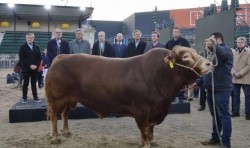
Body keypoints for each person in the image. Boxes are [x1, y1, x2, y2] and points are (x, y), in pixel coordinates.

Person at [201, 32, 233, 148]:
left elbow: (223, 54)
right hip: (210, 88)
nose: (208, 43)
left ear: (217, 39)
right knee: (215, 115)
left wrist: (213, 45)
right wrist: (199, 82)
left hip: (221, 89)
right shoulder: (210, 53)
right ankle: (215, 138)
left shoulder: (226, 50)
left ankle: (226, 142)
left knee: (224, 115)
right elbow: (207, 69)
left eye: (211, 40)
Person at [165, 27, 191, 103]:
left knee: (180, 81)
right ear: (172, 33)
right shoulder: (169, 42)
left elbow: (188, 52)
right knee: (171, 81)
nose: (176, 33)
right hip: (171, 65)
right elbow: (166, 53)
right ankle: (172, 96)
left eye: (177, 31)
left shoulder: (185, 42)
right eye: (174, 31)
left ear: (179, 33)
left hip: (181, 65)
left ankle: (181, 96)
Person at [18, 32, 41, 103]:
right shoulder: (22, 47)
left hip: (35, 69)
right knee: (26, 83)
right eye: (28, 38)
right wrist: (30, 65)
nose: (30, 39)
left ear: (34, 38)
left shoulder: (37, 47)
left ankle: (35, 97)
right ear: (26, 38)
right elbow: (22, 58)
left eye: (31, 37)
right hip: (26, 69)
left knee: (34, 83)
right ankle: (24, 98)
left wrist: (36, 65)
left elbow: (39, 58)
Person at [231, 37, 250, 120]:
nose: (239, 43)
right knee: (235, 96)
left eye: (241, 42)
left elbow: (249, 65)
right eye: (238, 42)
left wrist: (240, 73)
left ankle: (248, 113)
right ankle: (236, 112)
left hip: (246, 77)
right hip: (235, 78)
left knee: (248, 97)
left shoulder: (249, 52)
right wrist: (234, 73)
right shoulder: (233, 52)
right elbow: (230, 64)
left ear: (245, 43)